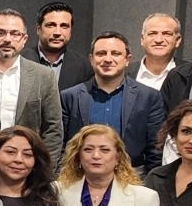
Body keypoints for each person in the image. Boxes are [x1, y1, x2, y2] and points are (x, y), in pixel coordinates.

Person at [60, 31, 165, 174]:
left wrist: (148, 183)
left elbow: (156, 150)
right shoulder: (69, 97)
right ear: (91, 59)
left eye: (115, 53)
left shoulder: (149, 97)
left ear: (127, 59)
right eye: (101, 53)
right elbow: (62, 148)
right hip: (80, 177)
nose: (108, 59)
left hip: (133, 179)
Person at [0, 9, 63, 164]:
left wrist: (43, 170)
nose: (7, 39)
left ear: (24, 39)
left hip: (25, 166)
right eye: (0, 33)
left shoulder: (43, 76)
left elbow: (53, 129)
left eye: (15, 34)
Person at [27, 1, 93, 91]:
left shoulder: (85, 67)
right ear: (38, 29)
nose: (57, 32)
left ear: (70, 31)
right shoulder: (19, 60)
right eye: (51, 25)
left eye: (64, 26)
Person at [134, 12, 181, 90]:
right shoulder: (124, 73)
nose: (158, 40)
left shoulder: (190, 74)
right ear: (142, 39)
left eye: (166, 34)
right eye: (152, 33)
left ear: (177, 40)